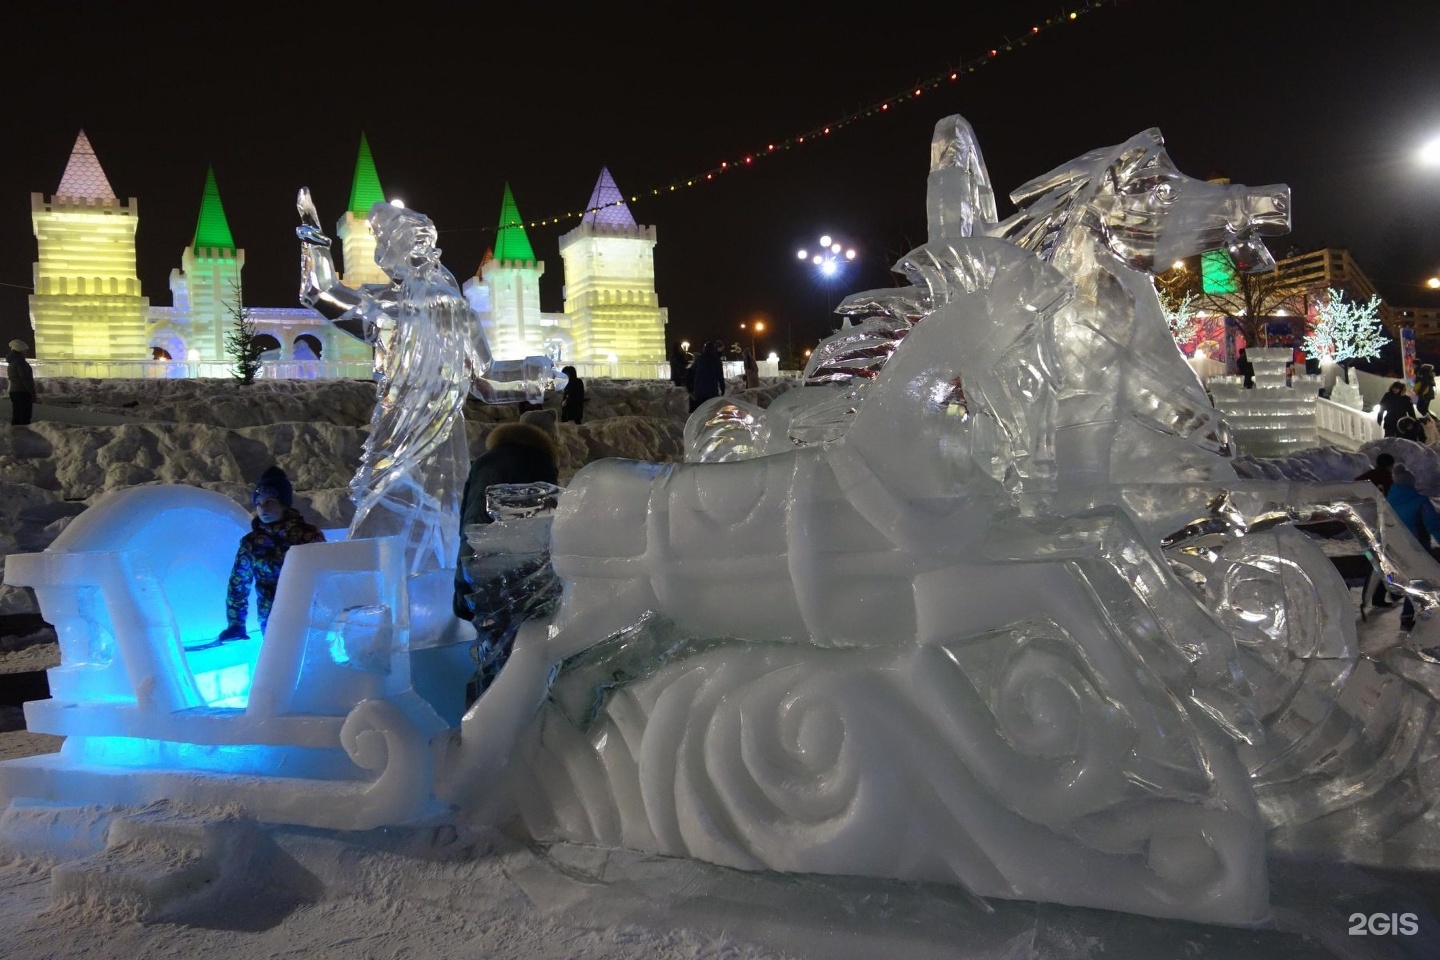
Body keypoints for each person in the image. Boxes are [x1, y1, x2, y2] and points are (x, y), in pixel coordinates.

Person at [453, 421, 561, 621]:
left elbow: (469, 520)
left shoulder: (483, 462)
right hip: (524, 581)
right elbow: (547, 527)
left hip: (478, 568)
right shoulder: (541, 462)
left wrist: (462, 588)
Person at [219, 466, 326, 641]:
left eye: (269, 501)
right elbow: (238, 584)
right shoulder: (251, 543)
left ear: (284, 503)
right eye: (259, 503)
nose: (263, 509)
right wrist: (236, 624)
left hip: (309, 615)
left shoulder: (309, 536)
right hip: (271, 620)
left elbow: (326, 575)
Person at [1383, 463, 1440, 630]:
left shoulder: (1387, 503)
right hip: (1418, 549)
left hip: (1396, 550)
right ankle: (1417, 617)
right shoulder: (1420, 502)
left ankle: (1409, 616)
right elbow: (1433, 526)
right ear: (1410, 483)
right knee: (1422, 582)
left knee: (1413, 582)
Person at [688, 340, 725, 413]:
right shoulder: (716, 360)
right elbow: (720, 376)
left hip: (699, 390)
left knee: (700, 411)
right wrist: (722, 388)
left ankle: (699, 423)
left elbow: (692, 370)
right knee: (711, 411)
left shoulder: (699, 359)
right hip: (712, 391)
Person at [7, 339, 35, 426]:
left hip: (14, 391)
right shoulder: (20, 362)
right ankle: (24, 435)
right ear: (20, 351)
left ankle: (15, 435)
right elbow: (25, 378)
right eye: (25, 350)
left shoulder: (11, 363)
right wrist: (31, 391)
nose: (26, 352)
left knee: (17, 415)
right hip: (23, 391)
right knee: (24, 416)